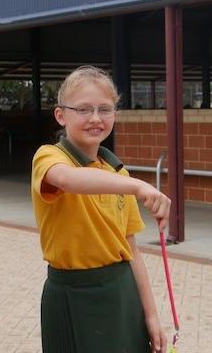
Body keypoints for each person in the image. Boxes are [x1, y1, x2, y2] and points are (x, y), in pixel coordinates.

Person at [31, 65, 172, 353]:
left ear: (115, 115)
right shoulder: (49, 156)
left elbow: (131, 250)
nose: (95, 118)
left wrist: (151, 315)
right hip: (72, 293)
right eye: (83, 109)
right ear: (61, 115)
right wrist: (138, 186)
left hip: (122, 293)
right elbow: (69, 179)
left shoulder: (118, 173)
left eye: (105, 109)